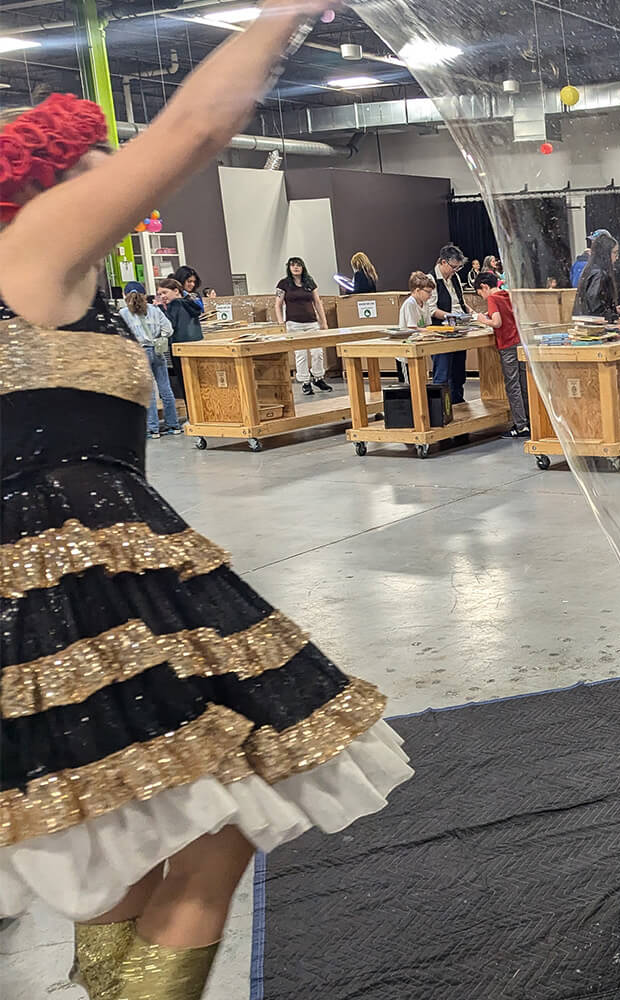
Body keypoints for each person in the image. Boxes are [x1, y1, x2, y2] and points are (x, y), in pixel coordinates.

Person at [0, 11, 412, 1000]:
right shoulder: (33, 248)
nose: (120, 178)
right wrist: (279, 16)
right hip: (62, 581)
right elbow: (191, 131)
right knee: (217, 823)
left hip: (102, 577)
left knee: (126, 840)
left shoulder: (70, 276)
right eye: (98, 162)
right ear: (47, 180)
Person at [119, 280, 181, 437]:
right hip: (158, 351)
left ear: (124, 295)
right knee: (165, 388)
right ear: (145, 295)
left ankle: (152, 428)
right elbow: (168, 329)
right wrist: (160, 338)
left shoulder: (123, 313)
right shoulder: (154, 310)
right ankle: (174, 425)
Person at [475, 270, 530, 438]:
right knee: (524, 384)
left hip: (507, 345)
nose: (482, 298)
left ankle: (520, 426)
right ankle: (530, 420)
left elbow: (497, 322)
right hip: (519, 342)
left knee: (512, 386)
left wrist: (483, 320)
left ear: (484, 287)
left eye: (480, 294)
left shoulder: (492, 298)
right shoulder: (506, 294)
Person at [275, 256, 332, 395]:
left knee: (317, 352)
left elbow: (317, 302)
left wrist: (323, 322)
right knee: (301, 354)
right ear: (289, 268)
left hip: (312, 323)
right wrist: (281, 323)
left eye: (298, 265)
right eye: (293, 265)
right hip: (293, 324)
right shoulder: (283, 284)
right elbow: (278, 304)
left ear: (303, 267)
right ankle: (305, 382)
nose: (296, 267)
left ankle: (318, 377)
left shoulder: (309, 282)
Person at [429, 244, 471, 403]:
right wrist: (452, 316)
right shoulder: (431, 279)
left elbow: (461, 301)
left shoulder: (455, 277)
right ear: (443, 262)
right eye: (453, 267)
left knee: (459, 373)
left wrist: (471, 313)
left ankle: (458, 404)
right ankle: (441, 410)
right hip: (441, 332)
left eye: (458, 268)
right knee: (442, 373)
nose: (455, 271)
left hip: (459, 329)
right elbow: (431, 310)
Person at [161, 275, 203, 346]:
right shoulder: (189, 303)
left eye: (164, 292)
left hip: (179, 346)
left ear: (176, 291)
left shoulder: (175, 304)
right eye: (159, 294)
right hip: (195, 343)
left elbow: (169, 326)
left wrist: (160, 308)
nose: (162, 296)